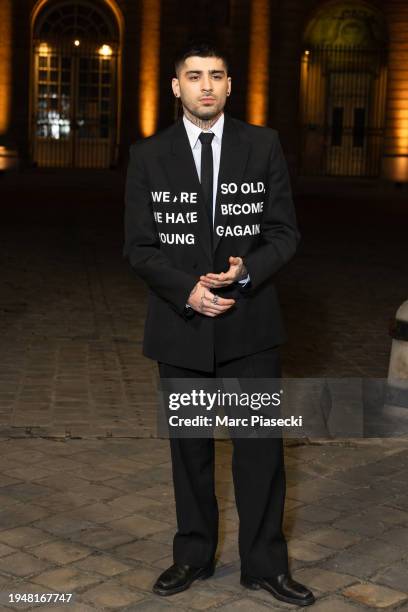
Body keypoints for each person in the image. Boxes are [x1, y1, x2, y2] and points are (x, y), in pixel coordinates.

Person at [123, 39, 315, 607]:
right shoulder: (148, 156)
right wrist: (188, 290)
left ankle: (265, 565)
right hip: (181, 325)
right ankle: (192, 555)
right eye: (194, 75)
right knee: (190, 451)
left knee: (260, 451)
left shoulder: (263, 146)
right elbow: (139, 247)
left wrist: (247, 271)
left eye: (216, 75)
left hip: (250, 325)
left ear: (231, 85)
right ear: (176, 86)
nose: (206, 85)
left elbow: (285, 233)